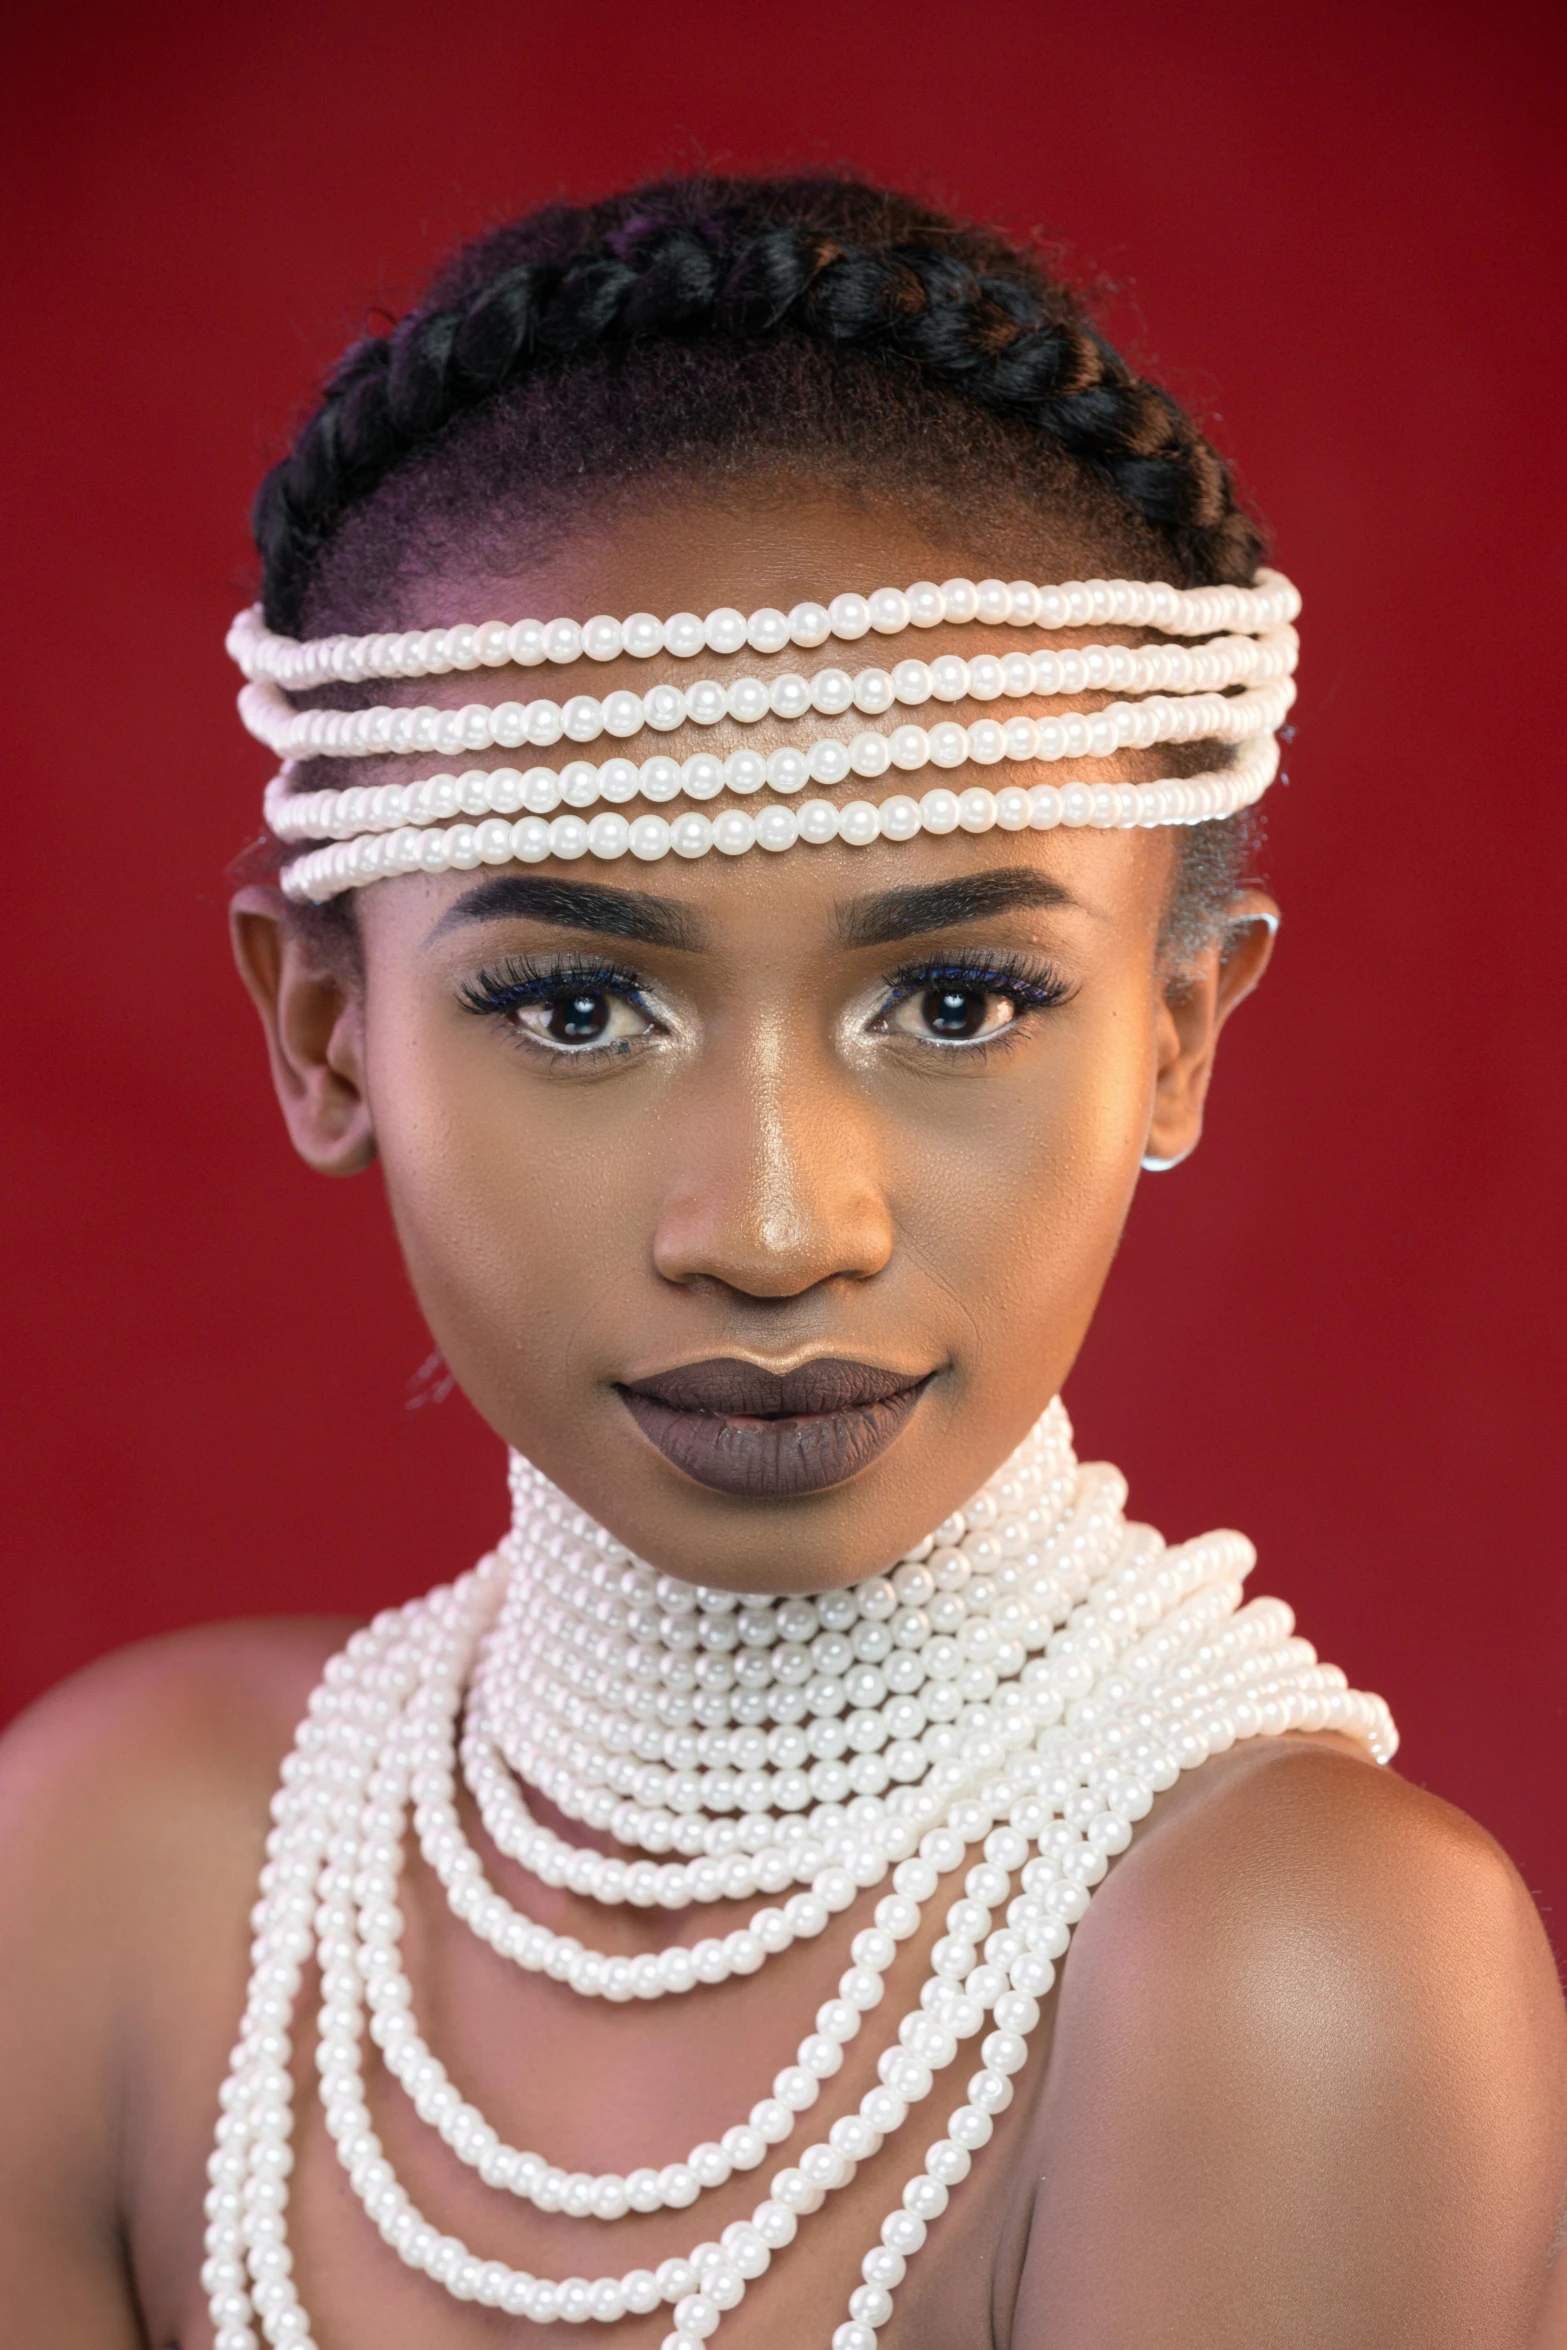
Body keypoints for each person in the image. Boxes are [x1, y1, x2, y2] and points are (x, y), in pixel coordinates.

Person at [1, 174, 1562, 2350]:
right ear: (327, 1027)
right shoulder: (114, 1886)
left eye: (954, 1003)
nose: (768, 1227)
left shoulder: (1287, 1971)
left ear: (1180, 1032)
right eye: (573, 1003)